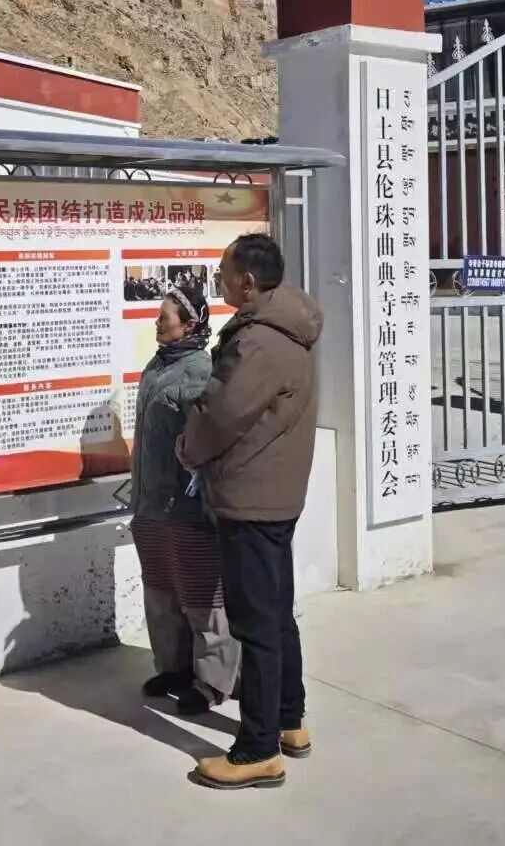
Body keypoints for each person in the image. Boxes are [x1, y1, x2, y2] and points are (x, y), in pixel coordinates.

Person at [179, 233, 322, 791]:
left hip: (250, 496)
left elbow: (222, 414)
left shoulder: (258, 342)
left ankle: (258, 749)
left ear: (248, 281)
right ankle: (289, 720)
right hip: (275, 493)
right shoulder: (289, 326)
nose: (217, 277)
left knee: (255, 624)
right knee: (276, 613)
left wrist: (189, 448)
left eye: (223, 270)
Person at [129, 287, 240, 715]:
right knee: (161, 591)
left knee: (200, 597)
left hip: (186, 507)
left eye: (165, 318)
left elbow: (211, 438)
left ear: (190, 325)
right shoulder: (157, 366)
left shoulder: (199, 372)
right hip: (150, 504)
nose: (157, 324)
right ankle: (173, 667)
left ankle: (212, 681)